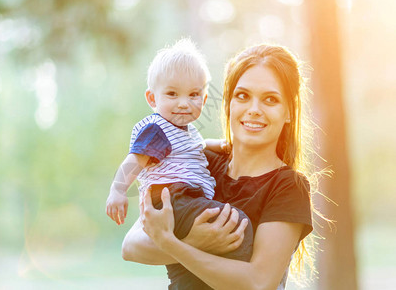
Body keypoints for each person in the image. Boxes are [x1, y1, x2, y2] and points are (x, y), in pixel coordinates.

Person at [122, 44, 315, 290]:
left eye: (270, 99)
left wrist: (175, 244)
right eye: (242, 96)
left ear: (288, 111)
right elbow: (131, 246)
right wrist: (195, 241)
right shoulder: (198, 163)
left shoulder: (288, 187)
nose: (254, 110)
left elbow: (259, 282)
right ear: (228, 104)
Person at [106, 39, 254, 288]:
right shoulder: (156, 129)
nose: (184, 103)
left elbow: (195, 146)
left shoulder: (183, 131)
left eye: (193, 94)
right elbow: (135, 160)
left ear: (204, 99)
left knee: (220, 233)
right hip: (172, 199)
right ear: (152, 98)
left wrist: (222, 144)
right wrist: (118, 190)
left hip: (183, 200)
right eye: (172, 94)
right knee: (236, 224)